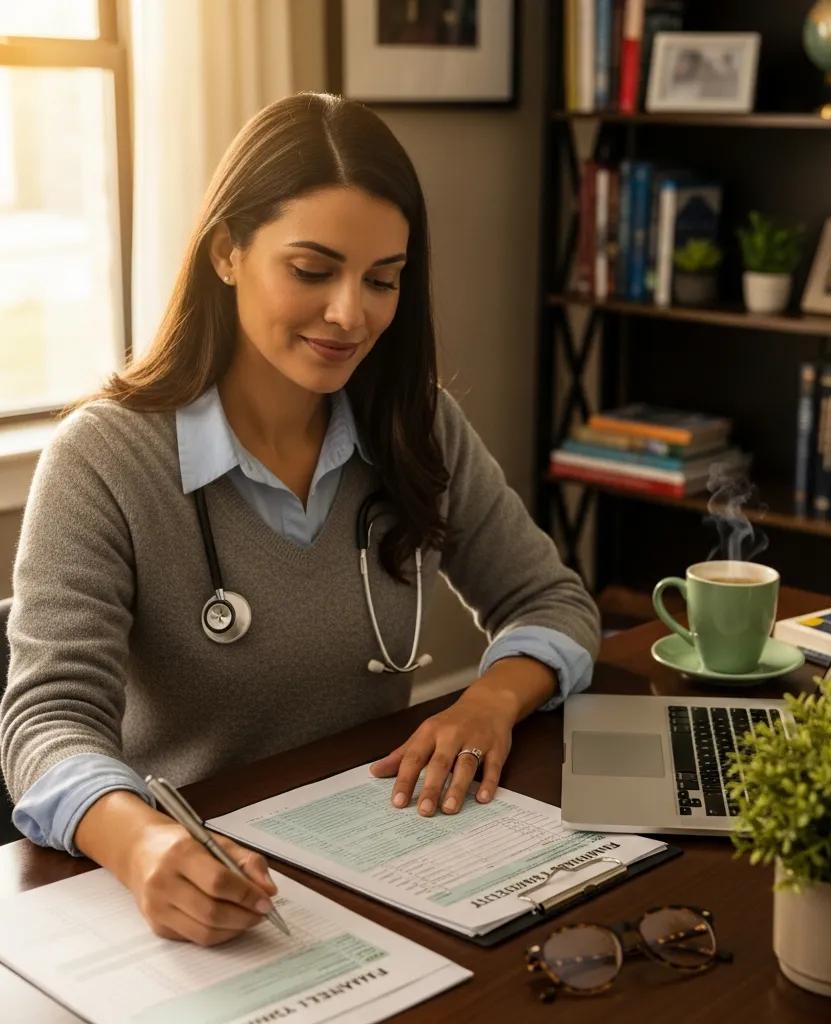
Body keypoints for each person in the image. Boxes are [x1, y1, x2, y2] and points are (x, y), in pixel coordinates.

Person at [0, 93, 599, 947]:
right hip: (206, 879)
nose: (351, 313)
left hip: (385, 858)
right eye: (313, 270)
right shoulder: (104, 457)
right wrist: (143, 846)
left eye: (382, 279)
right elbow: (45, 722)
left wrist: (489, 703)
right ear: (227, 253)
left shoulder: (416, 426)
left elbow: (554, 602)